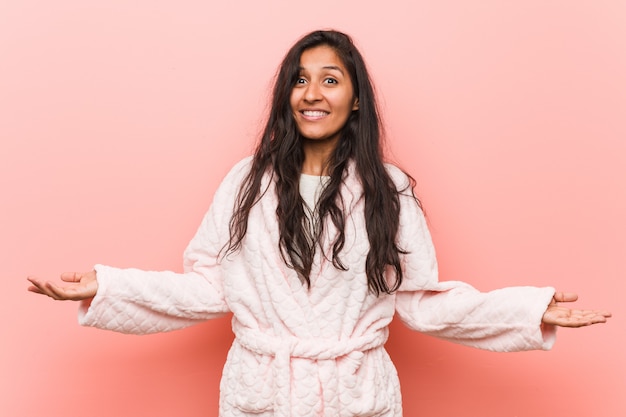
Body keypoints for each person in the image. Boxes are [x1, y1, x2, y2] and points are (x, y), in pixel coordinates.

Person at [27, 30, 611, 417]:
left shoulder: (389, 189)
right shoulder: (245, 183)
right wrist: (107, 286)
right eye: (300, 80)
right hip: (264, 393)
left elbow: (423, 301)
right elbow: (208, 288)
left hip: (354, 394)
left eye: (330, 79)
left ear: (355, 99)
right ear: (286, 96)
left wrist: (525, 310)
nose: (312, 93)